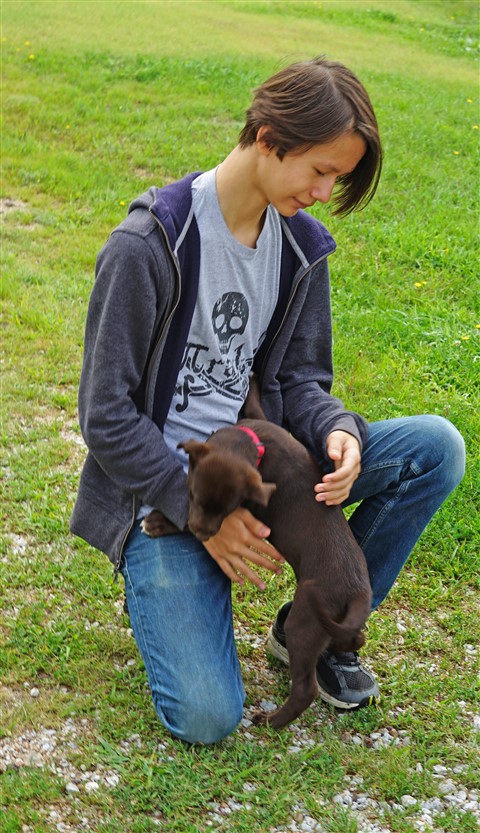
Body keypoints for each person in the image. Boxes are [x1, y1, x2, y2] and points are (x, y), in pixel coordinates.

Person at [70, 57, 465, 744]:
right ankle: (184, 579)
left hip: (275, 465)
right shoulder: (150, 243)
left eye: (337, 177)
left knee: (435, 448)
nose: (323, 190)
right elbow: (104, 413)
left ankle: (313, 628)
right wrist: (199, 513)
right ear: (267, 136)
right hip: (174, 490)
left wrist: (339, 431)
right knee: (205, 715)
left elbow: (303, 381)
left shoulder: (300, 250)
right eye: (319, 170)